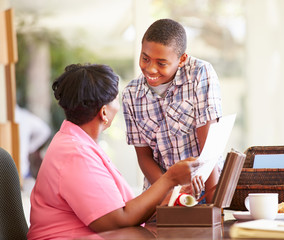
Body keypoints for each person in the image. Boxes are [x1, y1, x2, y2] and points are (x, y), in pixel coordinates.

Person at [27, 63, 199, 240]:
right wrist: (169, 179)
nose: (119, 106)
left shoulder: (77, 143)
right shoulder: (75, 154)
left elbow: (120, 209)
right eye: (117, 99)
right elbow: (117, 220)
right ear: (103, 112)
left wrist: (166, 199)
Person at [122, 18, 222, 202]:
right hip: (161, 195)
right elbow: (144, 157)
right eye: (145, 58)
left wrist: (213, 202)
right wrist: (171, 195)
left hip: (204, 188)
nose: (150, 69)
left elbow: (209, 146)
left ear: (182, 59)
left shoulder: (200, 73)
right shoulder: (131, 94)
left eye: (161, 63)